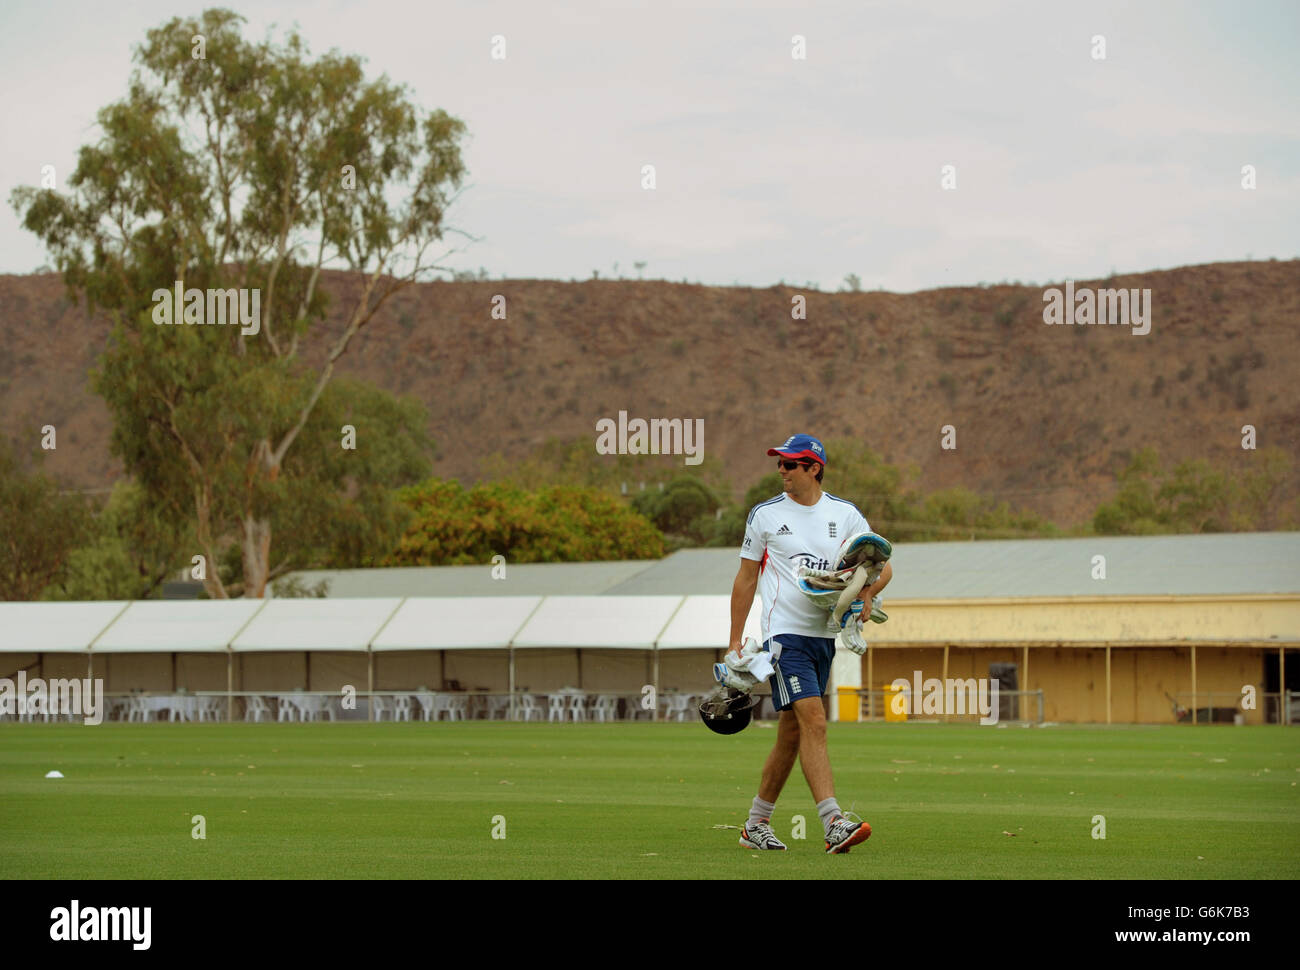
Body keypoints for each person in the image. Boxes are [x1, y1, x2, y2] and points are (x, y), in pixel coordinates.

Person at [728, 434, 893, 853]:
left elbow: (881, 566)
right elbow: (747, 578)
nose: (781, 470)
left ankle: (755, 823)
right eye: (779, 464)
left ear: (813, 467)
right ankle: (834, 821)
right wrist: (734, 640)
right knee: (815, 722)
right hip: (784, 635)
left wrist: (866, 595)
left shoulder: (846, 514)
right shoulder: (764, 516)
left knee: (791, 733)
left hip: (825, 636)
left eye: (790, 464)